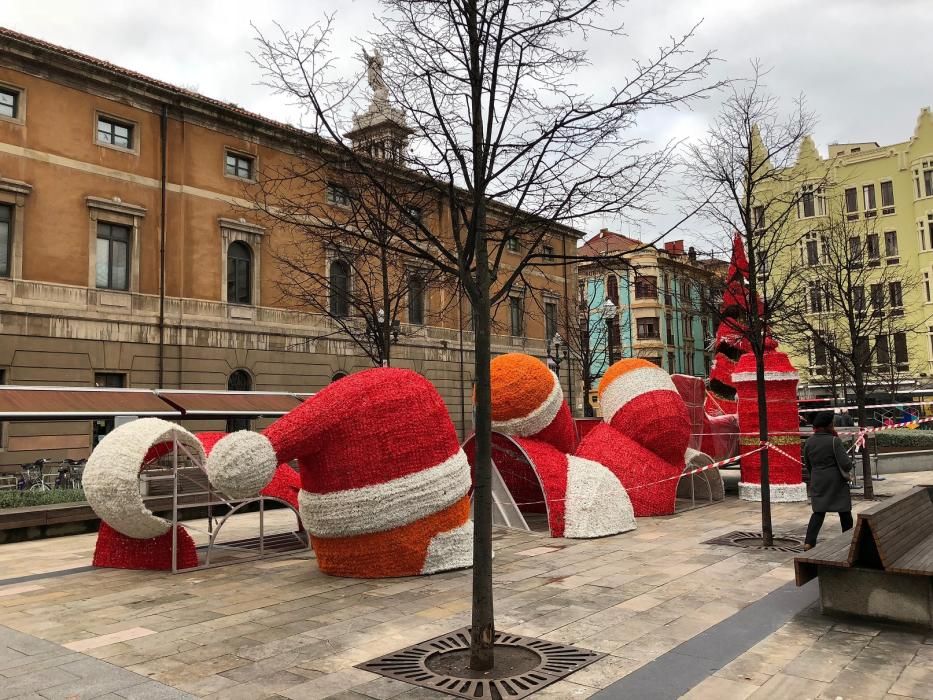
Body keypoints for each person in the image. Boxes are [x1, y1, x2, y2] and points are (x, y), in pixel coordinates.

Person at [803, 411, 854, 550]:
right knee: (844, 512)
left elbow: (807, 463)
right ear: (828, 425)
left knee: (818, 512)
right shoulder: (834, 441)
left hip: (818, 480)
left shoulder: (809, 441)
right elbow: (846, 464)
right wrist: (850, 466)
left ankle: (809, 542)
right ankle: (849, 540)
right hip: (836, 482)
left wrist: (816, 474)